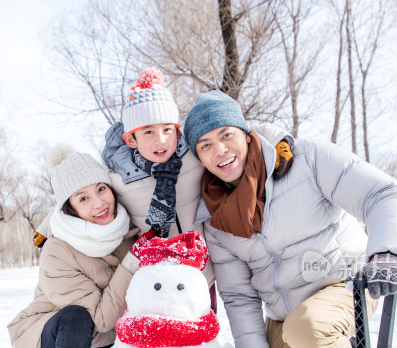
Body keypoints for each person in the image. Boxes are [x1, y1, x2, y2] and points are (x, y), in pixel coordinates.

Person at [183, 90, 397, 348]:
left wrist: (387, 253)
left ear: (246, 134)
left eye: (226, 135)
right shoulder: (214, 218)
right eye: (205, 145)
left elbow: (382, 194)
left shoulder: (307, 158)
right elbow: (239, 296)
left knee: (307, 327)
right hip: (285, 317)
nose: (220, 151)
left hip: (340, 289)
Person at [7, 146, 150, 348]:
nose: (99, 203)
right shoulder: (57, 250)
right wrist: (132, 262)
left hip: (108, 334)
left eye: (101, 189)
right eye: (83, 198)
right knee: (75, 318)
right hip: (56, 335)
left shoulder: (126, 229)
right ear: (69, 207)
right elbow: (97, 319)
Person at [101, 67, 291, 304]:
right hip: (154, 278)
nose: (161, 140)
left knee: (203, 335)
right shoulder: (119, 176)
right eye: (148, 132)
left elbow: (236, 129)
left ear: (177, 130)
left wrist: (279, 140)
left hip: (200, 273)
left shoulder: (191, 156)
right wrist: (46, 231)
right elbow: (83, 191)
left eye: (167, 129)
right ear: (131, 139)